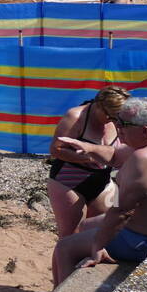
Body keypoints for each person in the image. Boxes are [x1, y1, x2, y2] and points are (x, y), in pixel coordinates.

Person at [52, 96, 147, 284]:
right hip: (145, 228)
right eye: (116, 120)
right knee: (86, 225)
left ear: (145, 130)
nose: (117, 128)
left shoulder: (144, 159)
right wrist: (87, 147)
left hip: (146, 241)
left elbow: (122, 211)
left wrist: (98, 246)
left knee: (65, 247)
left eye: (123, 124)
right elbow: (115, 155)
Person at [46, 86, 130, 239]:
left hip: (103, 179)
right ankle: (62, 262)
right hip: (69, 180)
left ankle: (87, 260)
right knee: (69, 236)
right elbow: (56, 149)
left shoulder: (119, 119)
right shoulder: (76, 117)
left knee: (111, 226)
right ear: (98, 106)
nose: (114, 121)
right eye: (111, 117)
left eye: (117, 118)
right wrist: (89, 158)